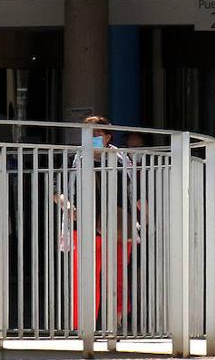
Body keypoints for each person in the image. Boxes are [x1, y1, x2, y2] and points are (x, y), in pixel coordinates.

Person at [53, 115, 138, 325]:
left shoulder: (121, 160)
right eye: (87, 133)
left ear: (108, 137)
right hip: (84, 225)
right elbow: (58, 190)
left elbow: (131, 192)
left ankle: (115, 324)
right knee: (84, 278)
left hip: (116, 226)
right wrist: (68, 205)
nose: (90, 137)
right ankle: (83, 327)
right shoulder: (75, 158)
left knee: (118, 275)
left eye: (96, 133)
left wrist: (140, 218)